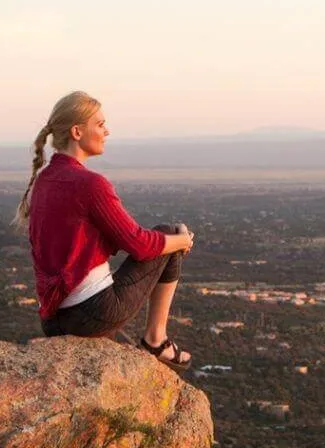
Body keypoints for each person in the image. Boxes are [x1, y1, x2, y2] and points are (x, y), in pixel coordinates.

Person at [21, 91, 197, 367]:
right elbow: (139, 244)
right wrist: (182, 240)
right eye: (100, 125)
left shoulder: (43, 180)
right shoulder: (89, 184)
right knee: (170, 233)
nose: (107, 131)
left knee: (168, 235)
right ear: (78, 131)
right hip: (91, 314)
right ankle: (155, 340)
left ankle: (156, 341)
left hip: (52, 320)